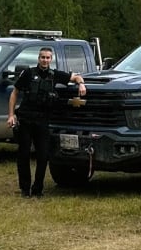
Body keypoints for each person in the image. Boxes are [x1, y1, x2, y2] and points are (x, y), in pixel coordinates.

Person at [7, 46, 86, 197]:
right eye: (42, 57)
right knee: (23, 155)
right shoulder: (29, 73)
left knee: (43, 156)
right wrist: (11, 115)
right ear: (38, 58)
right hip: (26, 119)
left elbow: (75, 77)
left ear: (51, 59)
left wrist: (81, 84)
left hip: (42, 120)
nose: (45, 60)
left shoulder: (54, 75)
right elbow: (14, 92)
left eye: (48, 58)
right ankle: (25, 189)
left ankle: (38, 189)